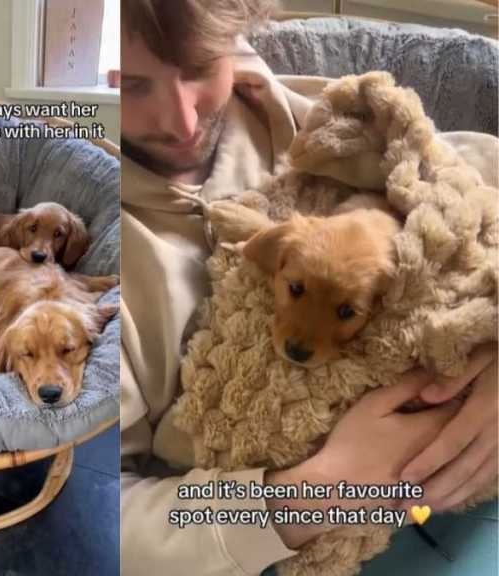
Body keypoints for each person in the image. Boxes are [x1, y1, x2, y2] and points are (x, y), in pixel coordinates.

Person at [118, 1, 499, 574]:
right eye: (131, 85)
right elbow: (97, 512)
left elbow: (466, 209)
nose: (182, 122)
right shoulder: (98, 241)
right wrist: (314, 490)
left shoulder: (325, 126)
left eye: (199, 67)